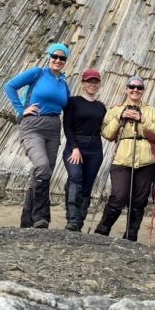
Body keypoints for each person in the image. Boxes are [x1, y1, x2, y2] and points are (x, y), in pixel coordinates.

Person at [3, 43, 70, 229]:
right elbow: (9, 86)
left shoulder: (64, 83)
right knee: (42, 167)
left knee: (43, 173)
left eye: (62, 58)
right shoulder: (37, 73)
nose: (58, 60)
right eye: (54, 56)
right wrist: (21, 110)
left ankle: (27, 221)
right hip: (32, 125)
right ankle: (42, 216)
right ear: (49, 57)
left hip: (54, 127)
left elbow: (69, 106)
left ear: (66, 60)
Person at [94, 76, 155, 241]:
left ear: (143, 91)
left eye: (139, 88)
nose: (135, 90)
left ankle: (131, 236)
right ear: (126, 89)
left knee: (139, 200)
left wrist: (143, 120)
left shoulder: (152, 111)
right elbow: (106, 133)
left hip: (147, 160)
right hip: (122, 160)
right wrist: (120, 117)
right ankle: (102, 230)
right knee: (119, 196)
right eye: (131, 86)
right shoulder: (115, 110)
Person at [62, 69, 107, 232]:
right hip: (75, 145)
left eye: (95, 82)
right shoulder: (73, 102)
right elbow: (67, 126)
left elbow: (106, 127)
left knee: (87, 185)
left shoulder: (101, 107)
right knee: (74, 178)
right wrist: (74, 148)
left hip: (95, 148)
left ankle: (79, 221)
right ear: (82, 83)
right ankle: (72, 219)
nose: (92, 85)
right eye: (89, 81)